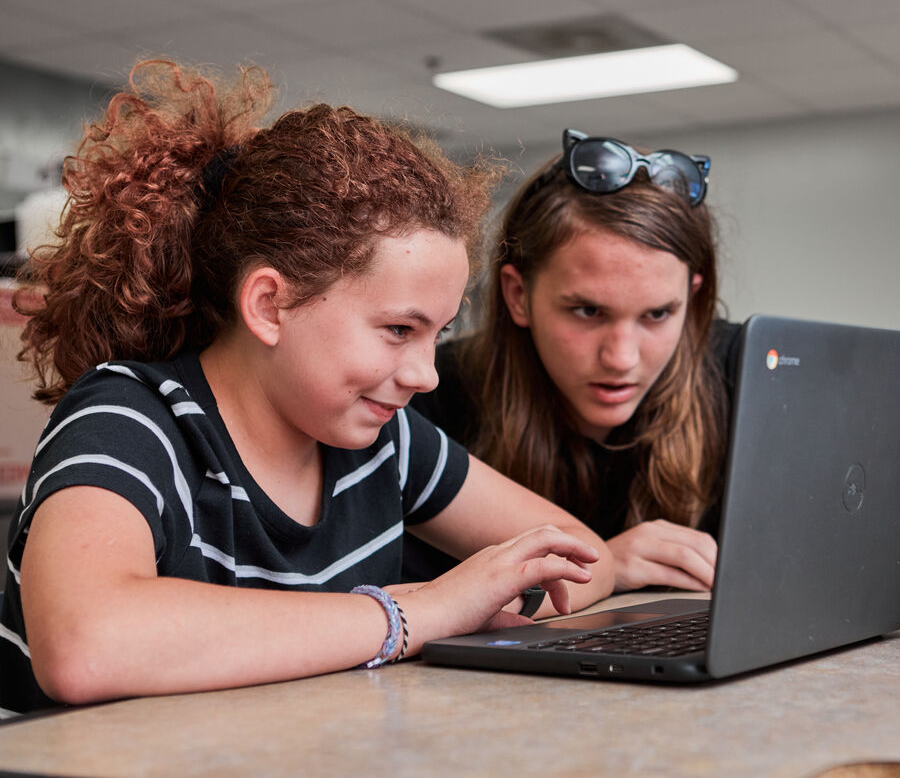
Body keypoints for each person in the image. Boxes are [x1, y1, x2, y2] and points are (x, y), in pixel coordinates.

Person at [0, 65, 615, 716]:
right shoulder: (130, 419)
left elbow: (579, 554)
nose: (426, 374)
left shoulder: (385, 441)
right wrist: (419, 612)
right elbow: (86, 646)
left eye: (438, 332)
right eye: (399, 328)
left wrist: (484, 601)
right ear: (270, 304)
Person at [407, 129, 741, 594]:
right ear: (518, 296)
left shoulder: (748, 378)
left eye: (658, 314)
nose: (621, 358)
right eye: (587, 311)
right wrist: (606, 566)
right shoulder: (423, 400)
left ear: (693, 296)